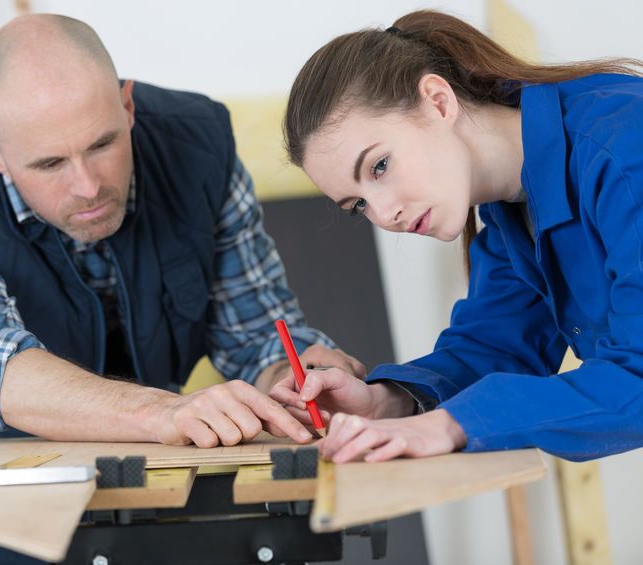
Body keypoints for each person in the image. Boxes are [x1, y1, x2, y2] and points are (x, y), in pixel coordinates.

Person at [0, 13, 365, 563]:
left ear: (127, 107)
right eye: (50, 163)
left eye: (102, 144)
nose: (88, 185)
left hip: (127, 478)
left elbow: (256, 333)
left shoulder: (199, 143)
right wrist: (161, 413)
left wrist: (294, 379)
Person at [271, 9, 643, 465]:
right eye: (359, 205)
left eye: (380, 166)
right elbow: (497, 345)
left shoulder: (627, 149)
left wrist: (450, 425)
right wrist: (384, 402)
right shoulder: (509, 206)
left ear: (438, 101)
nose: (385, 215)